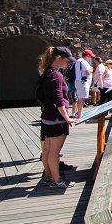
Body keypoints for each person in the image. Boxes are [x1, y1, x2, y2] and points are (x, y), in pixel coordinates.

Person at [37, 46, 76, 189]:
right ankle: (56, 180)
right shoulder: (57, 75)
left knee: (47, 148)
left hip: (47, 116)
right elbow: (59, 100)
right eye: (67, 61)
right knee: (54, 152)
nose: (68, 64)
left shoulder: (47, 72)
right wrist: (67, 118)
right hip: (56, 118)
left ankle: (48, 176)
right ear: (59, 59)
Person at [73, 49, 94, 119]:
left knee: (80, 98)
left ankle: (79, 114)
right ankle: (79, 115)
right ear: (87, 56)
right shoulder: (84, 62)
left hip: (79, 81)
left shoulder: (78, 61)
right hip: (83, 82)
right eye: (90, 56)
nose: (90, 58)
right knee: (82, 99)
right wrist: (92, 69)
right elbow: (88, 72)